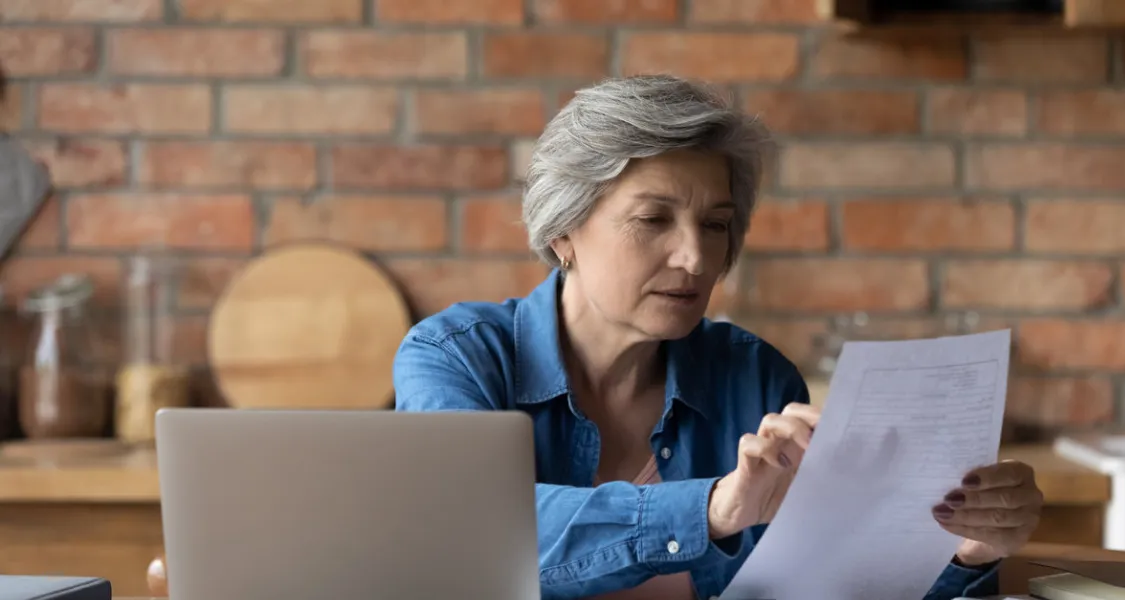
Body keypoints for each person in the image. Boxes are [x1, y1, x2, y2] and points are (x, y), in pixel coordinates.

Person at [392, 74, 1044, 600]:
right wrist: (712, 509)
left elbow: (832, 586)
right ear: (563, 231)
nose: (697, 259)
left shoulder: (757, 379)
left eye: (717, 224)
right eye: (654, 219)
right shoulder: (455, 357)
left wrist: (964, 553)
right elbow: (466, 534)